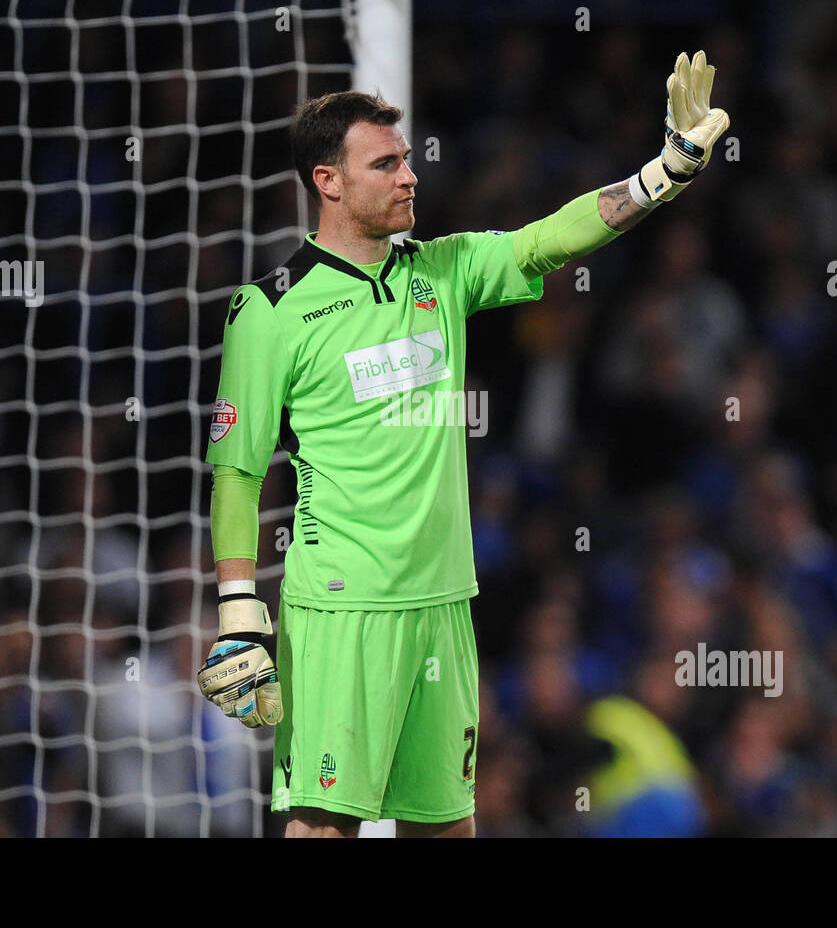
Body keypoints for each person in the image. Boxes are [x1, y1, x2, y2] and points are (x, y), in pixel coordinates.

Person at [197, 52, 730, 838]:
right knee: (320, 827)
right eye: (385, 164)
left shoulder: (441, 275)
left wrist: (664, 170)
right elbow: (237, 474)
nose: (410, 176)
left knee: (449, 828)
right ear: (328, 181)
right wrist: (239, 605)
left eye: (407, 159)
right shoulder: (270, 312)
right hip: (344, 609)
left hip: (444, 603)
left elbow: (551, 238)